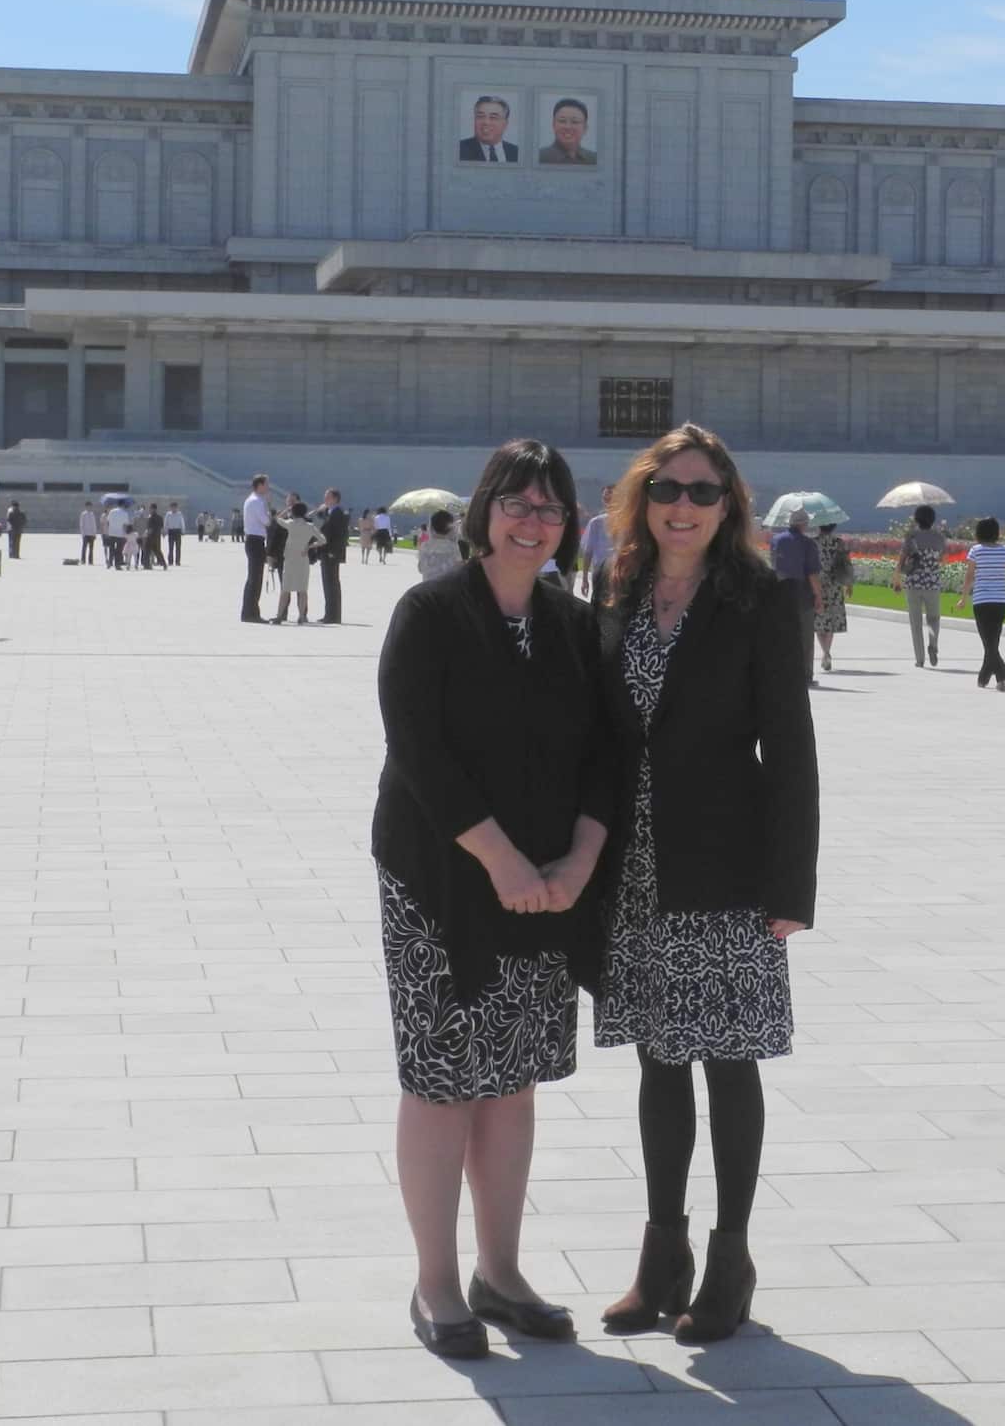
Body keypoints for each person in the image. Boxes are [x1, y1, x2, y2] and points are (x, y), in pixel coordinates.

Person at [372, 439, 611, 1360]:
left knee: (511, 1083)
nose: (532, 522)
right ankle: (436, 1283)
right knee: (442, 1082)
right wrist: (500, 860)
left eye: (550, 509)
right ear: (484, 511)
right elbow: (418, 749)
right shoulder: (430, 612)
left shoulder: (571, 621)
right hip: (439, 880)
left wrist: (578, 861)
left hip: (545, 887)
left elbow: (604, 755)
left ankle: (500, 1272)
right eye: (516, 503)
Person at [594, 423, 818, 1345]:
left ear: (729, 507)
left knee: (728, 1065)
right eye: (667, 489)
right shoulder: (617, 589)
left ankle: (730, 1260)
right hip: (637, 872)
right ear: (642, 500)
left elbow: (791, 748)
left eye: (702, 491)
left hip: (726, 867)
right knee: (657, 1065)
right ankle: (661, 1258)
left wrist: (790, 889)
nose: (682, 507)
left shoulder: (759, 598)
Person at [957, 517, 1005, 689]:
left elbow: (969, 576)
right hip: (1000, 600)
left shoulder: (976, 550)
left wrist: (964, 598)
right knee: (992, 640)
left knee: (988, 641)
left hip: (982, 600)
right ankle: (984, 677)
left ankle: (1002, 676)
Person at [767, 507, 824, 686]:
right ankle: (805, 675)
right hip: (801, 593)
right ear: (803, 524)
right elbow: (812, 573)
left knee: (781, 634)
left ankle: (781, 672)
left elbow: (773, 564)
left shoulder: (776, 540)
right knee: (805, 636)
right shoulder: (808, 544)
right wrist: (819, 596)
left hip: (779, 591)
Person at [892, 504, 947, 668]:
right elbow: (941, 558)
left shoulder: (911, 537)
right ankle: (933, 644)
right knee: (933, 619)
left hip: (913, 583)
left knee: (915, 622)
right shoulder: (939, 537)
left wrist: (896, 578)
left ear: (916, 519)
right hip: (932, 583)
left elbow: (902, 559)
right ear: (933, 519)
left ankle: (920, 658)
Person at [270, 501, 325, 625]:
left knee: (285, 590)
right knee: (302, 589)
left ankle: (279, 616)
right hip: (303, 559)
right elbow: (323, 540)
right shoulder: (310, 526)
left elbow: (277, 519)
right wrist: (309, 546)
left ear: (293, 513)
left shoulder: (291, 524)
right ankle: (301, 616)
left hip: (289, 559)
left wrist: (286, 509)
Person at [814, 523, 852, 672]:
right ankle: (827, 652)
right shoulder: (839, 543)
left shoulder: (813, 543)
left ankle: (825, 652)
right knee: (831, 620)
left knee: (819, 620)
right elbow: (847, 564)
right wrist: (849, 584)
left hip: (818, 584)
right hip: (835, 584)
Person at [241, 474, 271, 623]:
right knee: (255, 579)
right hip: (256, 541)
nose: (268, 487)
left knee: (253, 578)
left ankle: (249, 611)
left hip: (252, 540)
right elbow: (266, 521)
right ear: (259, 485)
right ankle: (251, 613)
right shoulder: (257, 502)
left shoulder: (251, 500)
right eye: (266, 484)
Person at [317, 488, 349, 624]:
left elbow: (339, 535)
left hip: (331, 553)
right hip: (326, 551)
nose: (325, 499)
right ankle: (329, 613)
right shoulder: (330, 512)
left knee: (332, 583)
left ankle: (333, 615)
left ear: (335, 499)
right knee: (328, 583)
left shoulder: (338, 513)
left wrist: (333, 551)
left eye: (328, 497)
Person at [579, 484, 616, 602]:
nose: (608, 500)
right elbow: (588, 552)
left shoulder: (627, 522)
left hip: (620, 573)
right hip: (600, 573)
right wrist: (585, 578)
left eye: (611, 497)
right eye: (605, 497)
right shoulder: (596, 523)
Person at [458, 95, 519, 164]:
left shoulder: (516, 152)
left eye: (493, 117)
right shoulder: (459, 150)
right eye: (480, 116)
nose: (486, 122)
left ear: (505, 124)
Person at [539, 98, 597, 165]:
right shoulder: (540, 157)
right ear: (553, 125)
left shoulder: (594, 159)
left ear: (585, 128)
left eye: (575, 122)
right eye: (562, 121)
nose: (568, 127)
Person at [417, 510, 464, 581]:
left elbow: (420, 569)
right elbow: (458, 568)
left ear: (431, 526)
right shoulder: (453, 547)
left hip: (427, 587)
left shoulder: (425, 545)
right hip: (447, 587)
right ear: (450, 528)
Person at [105, 501, 130, 570]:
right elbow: (126, 525)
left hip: (112, 533)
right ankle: (117, 565)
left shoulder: (112, 511)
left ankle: (110, 562)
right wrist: (125, 534)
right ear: (123, 505)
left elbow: (108, 522)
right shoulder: (125, 513)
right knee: (119, 550)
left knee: (111, 549)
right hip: (120, 534)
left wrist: (107, 531)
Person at [142, 505, 167, 571]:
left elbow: (149, 528)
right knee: (158, 551)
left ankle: (147, 565)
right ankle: (164, 564)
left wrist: (146, 535)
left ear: (152, 509)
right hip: (157, 537)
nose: (149, 510)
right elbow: (162, 528)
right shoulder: (160, 518)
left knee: (147, 551)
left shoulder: (150, 518)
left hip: (150, 537)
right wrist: (163, 534)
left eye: (150, 509)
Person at [164, 502, 185, 566]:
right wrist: (165, 531)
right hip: (171, 531)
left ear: (177, 507)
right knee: (171, 547)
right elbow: (166, 523)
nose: (174, 508)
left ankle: (177, 561)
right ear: (170, 508)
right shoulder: (168, 514)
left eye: (175, 507)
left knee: (178, 548)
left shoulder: (179, 514)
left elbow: (182, 522)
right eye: (172, 507)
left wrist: (183, 530)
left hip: (177, 531)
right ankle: (170, 561)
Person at [79, 501, 99, 565]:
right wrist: (83, 534)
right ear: (86, 507)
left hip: (91, 534)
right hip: (85, 534)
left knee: (91, 548)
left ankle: (90, 561)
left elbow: (94, 524)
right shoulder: (83, 514)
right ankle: (83, 560)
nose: (89, 507)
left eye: (90, 506)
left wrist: (95, 533)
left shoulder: (92, 514)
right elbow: (81, 524)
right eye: (88, 506)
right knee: (84, 548)